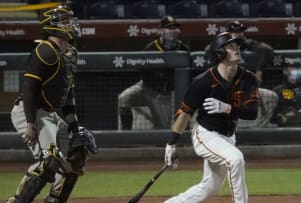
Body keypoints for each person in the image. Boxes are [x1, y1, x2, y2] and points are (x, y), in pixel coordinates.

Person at [7, 5, 97, 203]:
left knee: (76, 153)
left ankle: (55, 199)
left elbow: (68, 94)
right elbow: (29, 89)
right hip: (29, 110)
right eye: (64, 21)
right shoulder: (45, 50)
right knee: (50, 160)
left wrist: (75, 127)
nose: (70, 24)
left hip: (49, 113)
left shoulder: (70, 53)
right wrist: (30, 124)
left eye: (69, 20)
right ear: (52, 26)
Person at [164, 32, 259, 203]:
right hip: (206, 135)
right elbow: (185, 113)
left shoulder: (248, 78)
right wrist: (171, 143)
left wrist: (228, 108)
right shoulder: (202, 82)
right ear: (219, 53)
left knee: (209, 188)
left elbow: (253, 113)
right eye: (231, 46)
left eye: (237, 45)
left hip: (228, 137)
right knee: (235, 159)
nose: (236, 49)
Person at [118, 15, 189, 130]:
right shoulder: (151, 48)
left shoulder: (183, 48)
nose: (172, 31)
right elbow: (144, 72)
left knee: (163, 131)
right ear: (161, 30)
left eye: (175, 28)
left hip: (165, 94)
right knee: (124, 98)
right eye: (169, 28)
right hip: (147, 87)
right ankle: (127, 134)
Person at [225, 20, 279, 128]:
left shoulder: (248, 44)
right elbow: (209, 50)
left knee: (272, 97)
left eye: (239, 31)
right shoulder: (222, 46)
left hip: (249, 88)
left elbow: (268, 50)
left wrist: (259, 70)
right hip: (228, 90)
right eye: (233, 31)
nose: (237, 33)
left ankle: (256, 130)